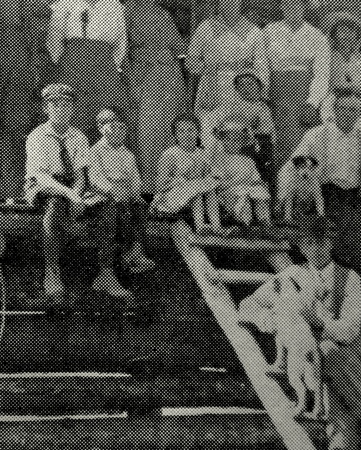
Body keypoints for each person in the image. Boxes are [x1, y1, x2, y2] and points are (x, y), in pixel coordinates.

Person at [238, 214, 361, 450]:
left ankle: (352, 433)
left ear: (331, 243)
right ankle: (348, 441)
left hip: (346, 351)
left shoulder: (349, 279)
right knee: (321, 354)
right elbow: (247, 305)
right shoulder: (291, 276)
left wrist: (319, 323)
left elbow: (349, 330)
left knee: (328, 351)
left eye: (323, 242)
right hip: (308, 353)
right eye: (310, 243)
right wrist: (270, 320)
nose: (317, 248)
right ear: (302, 246)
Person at [277, 91, 361, 304]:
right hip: (322, 193)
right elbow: (292, 165)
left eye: (353, 110)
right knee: (348, 228)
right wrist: (286, 196)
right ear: (334, 110)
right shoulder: (317, 134)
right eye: (343, 108)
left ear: (359, 113)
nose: (347, 114)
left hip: (353, 195)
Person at [24, 84, 134, 305]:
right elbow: (42, 176)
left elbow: (81, 175)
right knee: (55, 205)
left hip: (72, 186)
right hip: (42, 186)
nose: (61, 110)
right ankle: (52, 270)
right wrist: (71, 195)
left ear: (72, 110)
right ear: (47, 108)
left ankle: (106, 273)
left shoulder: (79, 137)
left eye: (66, 106)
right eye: (55, 105)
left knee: (107, 205)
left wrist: (76, 193)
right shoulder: (37, 137)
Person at [47, 0, 128, 140]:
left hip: (104, 67)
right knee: (74, 115)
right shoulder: (66, 2)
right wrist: (68, 62)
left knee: (104, 115)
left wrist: (110, 66)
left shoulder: (114, 6)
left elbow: (120, 43)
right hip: (73, 64)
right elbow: (53, 40)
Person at [123, 0, 189, 192]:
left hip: (170, 77)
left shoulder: (163, 14)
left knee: (168, 130)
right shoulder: (128, 11)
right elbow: (122, 49)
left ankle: (168, 188)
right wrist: (132, 80)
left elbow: (180, 48)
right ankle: (147, 188)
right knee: (146, 131)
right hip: (143, 75)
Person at [186, 0, 266, 149]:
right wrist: (208, 68)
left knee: (238, 139)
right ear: (218, 1)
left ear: (241, 0)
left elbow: (261, 68)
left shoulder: (254, 32)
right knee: (210, 137)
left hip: (242, 91)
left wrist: (256, 95)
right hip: (212, 89)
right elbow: (190, 61)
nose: (230, 1)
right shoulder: (206, 27)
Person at [259, 0, 330, 170]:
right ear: (280, 6)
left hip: (303, 97)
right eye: (285, 2)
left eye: (295, 2)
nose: (290, 7)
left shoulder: (317, 36)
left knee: (301, 145)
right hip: (274, 95)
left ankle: (299, 196)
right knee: (275, 143)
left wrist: (312, 102)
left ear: (304, 5)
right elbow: (262, 65)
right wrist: (263, 94)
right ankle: (276, 194)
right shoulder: (269, 31)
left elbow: (322, 74)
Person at [87, 107, 157, 275]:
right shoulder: (95, 152)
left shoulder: (128, 154)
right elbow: (95, 178)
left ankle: (136, 250)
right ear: (100, 128)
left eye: (121, 127)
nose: (117, 130)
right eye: (111, 125)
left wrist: (134, 193)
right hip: (103, 195)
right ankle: (125, 254)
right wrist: (112, 191)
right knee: (119, 210)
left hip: (126, 193)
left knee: (140, 207)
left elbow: (135, 178)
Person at [201, 71, 274, 189]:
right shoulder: (231, 105)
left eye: (250, 84)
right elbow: (210, 121)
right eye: (241, 85)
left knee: (263, 161)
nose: (246, 89)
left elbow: (267, 132)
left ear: (259, 86)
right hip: (234, 144)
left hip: (257, 145)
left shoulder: (264, 107)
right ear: (237, 89)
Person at [206, 118, 272, 230]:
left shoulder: (248, 161)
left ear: (242, 143)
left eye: (237, 140)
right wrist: (238, 182)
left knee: (261, 193)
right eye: (229, 139)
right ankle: (245, 224)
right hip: (229, 192)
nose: (233, 143)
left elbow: (256, 179)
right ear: (223, 140)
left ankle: (264, 222)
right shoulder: (220, 159)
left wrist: (259, 183)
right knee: (242, 195)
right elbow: (218, 183)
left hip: (249, 188)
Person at [152, 114, 220, 224]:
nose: (186, 135)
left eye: (190, 130)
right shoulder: (170, 154)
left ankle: (217, 227)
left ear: (198, 133)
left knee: (209, 190)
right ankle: (200, 227)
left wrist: (213, 175)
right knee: (195, 191)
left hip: (192, 193)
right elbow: (159, 186)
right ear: (175, 135)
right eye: (181, 131)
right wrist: (176, 181)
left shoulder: (202, 153)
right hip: (170, 197)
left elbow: (208, 175)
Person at [309, 12, 361, 123]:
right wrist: (347, 87)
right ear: (335, 34)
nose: (347, 36)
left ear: (357, 35)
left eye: (351, 31)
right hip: (331, 103)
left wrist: (345, 86)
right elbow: (327, 82)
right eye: (342, 31)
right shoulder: (328, 56)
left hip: (354, 103)